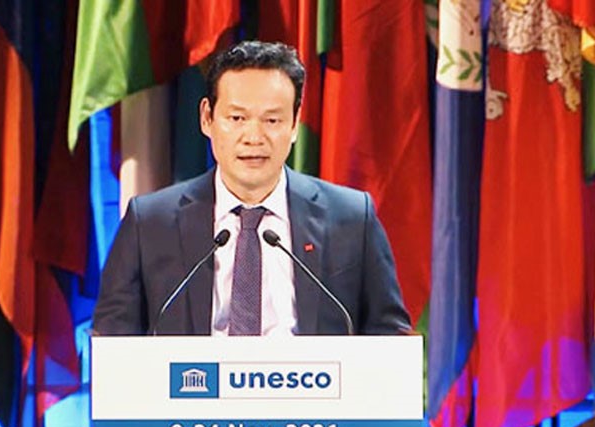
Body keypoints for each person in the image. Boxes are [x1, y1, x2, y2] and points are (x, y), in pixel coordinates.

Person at [93, 41, 411, 336]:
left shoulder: (351, 219)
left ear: (294, 123)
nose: (254, 137)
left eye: (272, 121)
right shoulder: (150, 222)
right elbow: (113, 339)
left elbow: (389, 335)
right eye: (237, 118)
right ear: (207, 118)